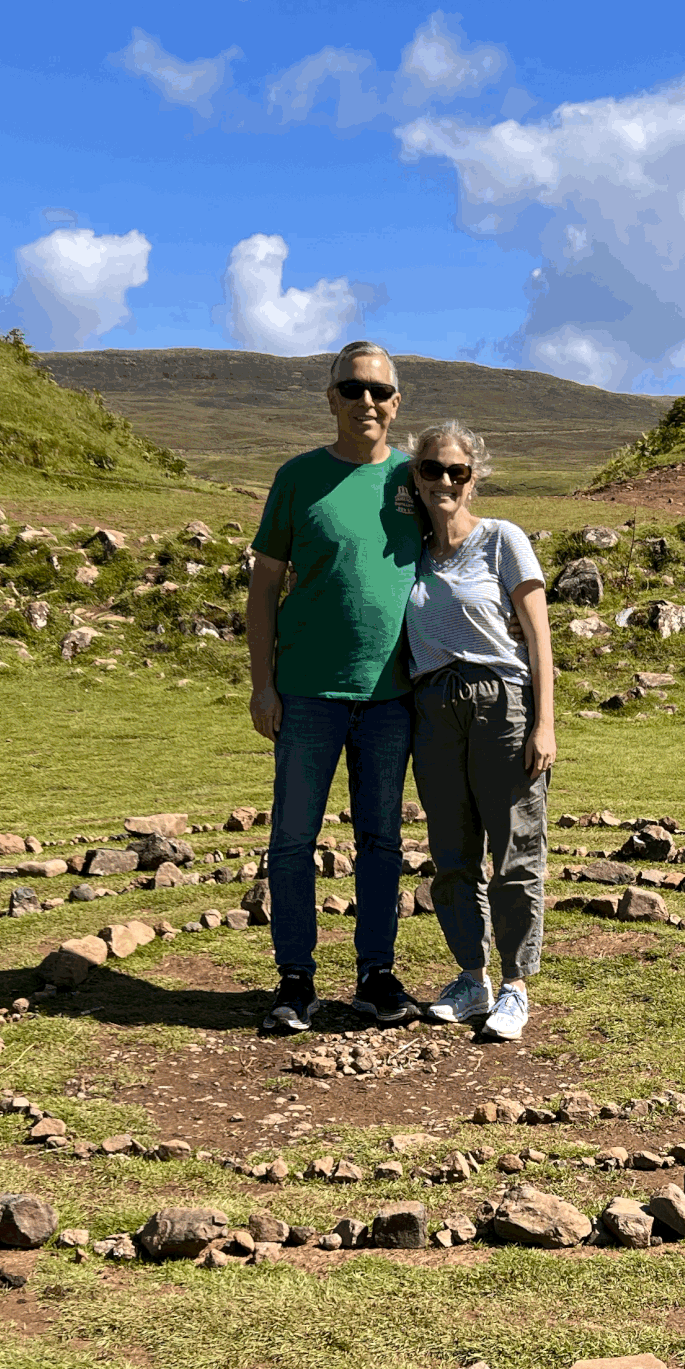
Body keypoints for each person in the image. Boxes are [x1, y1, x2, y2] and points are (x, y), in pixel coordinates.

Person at [244, 339, 423, 1034]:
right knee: (293, 837)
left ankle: (377, 975)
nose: (367, 402)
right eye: (353, 389)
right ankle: (295, 979)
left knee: (381, 839)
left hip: (391, 696)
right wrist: (263, 684)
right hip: (309, 692)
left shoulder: (417, 477)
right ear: (331, 398)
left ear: (397, 402)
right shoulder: (296, 478)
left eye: (379, 391)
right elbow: (263, 590)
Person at [401, 419, 556, 1042]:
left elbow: (539, 635)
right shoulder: (408, 550)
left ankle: (516, 986)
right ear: (416, 476)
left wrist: (544, 722)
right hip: (433, 706)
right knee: (452, 853)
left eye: (457, 471)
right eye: (433, 469)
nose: (444, 480)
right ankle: (472, 978)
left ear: (474, 478)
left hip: (501, 701)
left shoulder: (501, 540)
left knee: (515, 849)